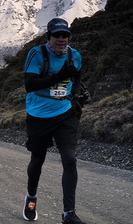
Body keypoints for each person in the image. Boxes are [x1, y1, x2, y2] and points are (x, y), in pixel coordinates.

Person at [22, 18, 86, 223]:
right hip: (38, 114)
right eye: (57, 35)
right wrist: (59, 76)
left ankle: (69, 214)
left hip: (64, 113)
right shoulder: (36, 54)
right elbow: (30, 85)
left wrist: (75, 98)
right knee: (37, 160)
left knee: (70, 159)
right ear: (49, 37)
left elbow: (77, 77)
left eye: (65, 35)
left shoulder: (74, 55)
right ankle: (31, 198)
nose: (61, 39)